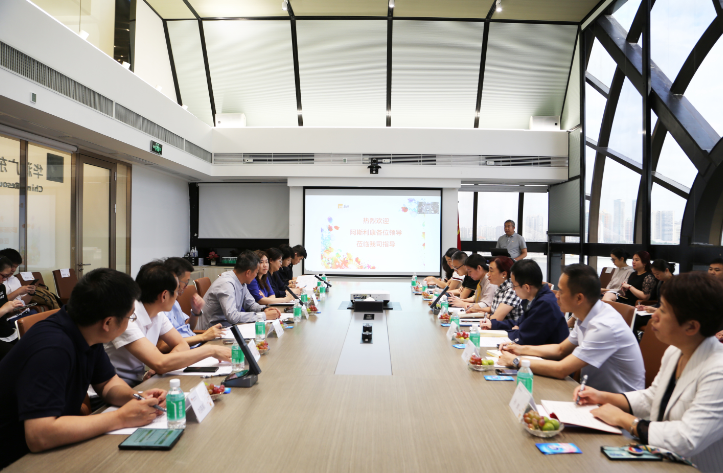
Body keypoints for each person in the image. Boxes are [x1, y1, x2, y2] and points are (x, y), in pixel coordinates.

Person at [0, 268, 167, 469]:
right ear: (108, 322)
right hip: (16, 459)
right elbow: (39, 435)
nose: (130, 321)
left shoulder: (85, 329)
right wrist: (121, 417)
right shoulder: (52, 348)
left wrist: (137, 398)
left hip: (54, 448)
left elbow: (108, 383)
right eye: (130, 317)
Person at [574, 272, 723, 473]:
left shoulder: (718, 371)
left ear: (691, 326)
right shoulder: (676, 351)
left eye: (664, 310)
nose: (654, 316)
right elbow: (652, 398)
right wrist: (603, 397)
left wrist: (625, 420)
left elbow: (687, 438)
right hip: (661, 459)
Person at [498, 264, 645, 393]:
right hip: (592, 394)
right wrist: (519, 349)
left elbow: (561, 369)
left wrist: (515, 361)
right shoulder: (586, 315)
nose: (557, 296)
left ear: (579, 298)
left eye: (561, 292)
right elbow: (560, 349)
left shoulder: (604, 326)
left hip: (617, 405)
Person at [104, 261, 232, 386]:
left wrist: (163, 365)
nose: (177, 296)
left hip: (140, 381)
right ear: (164, 295)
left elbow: (182, 345)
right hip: (114, 389)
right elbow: (160, 363)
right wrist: (210, 350)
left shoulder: (158, 313)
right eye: (176, 291)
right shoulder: (127, 317)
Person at [481, 259, 568, 346]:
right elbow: (519, 324)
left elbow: (527, 338)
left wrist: (516, 331)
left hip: (546, 353)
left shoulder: (545, 304)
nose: (513, 289)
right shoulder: (531, 299)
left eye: (514, 285)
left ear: (527, 287)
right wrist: (493, 324)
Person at [198, 251, 281, 330]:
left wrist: (264, 309)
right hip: (211, 330)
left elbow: (251, 304)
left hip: (226, 327)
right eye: (256, 272)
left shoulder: (241, 281)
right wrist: (264, 316)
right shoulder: (226, 284)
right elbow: (232, 316)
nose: (256, 275)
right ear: (248, 273)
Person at [156, 257, 224, 353]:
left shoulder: (174, 302)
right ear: (174, 280)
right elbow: (162, 346)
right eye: (186, 282)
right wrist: (203, 337)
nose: (186, 287)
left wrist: (195, 312)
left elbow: (187, 329)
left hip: (193, 346)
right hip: (187, 350)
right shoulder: (160, 308)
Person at [474, 256, 524, 323]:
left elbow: (496, 318)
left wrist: (482, 314)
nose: (488, 274)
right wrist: (476, 310)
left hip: (509, 328)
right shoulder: (500, 287)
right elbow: (492, 308)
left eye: (491, 271)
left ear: (504, 274)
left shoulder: (512, 290)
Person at [0, 257, 27, 360]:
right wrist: (5, 309)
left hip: (6, 330)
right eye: (3, 276)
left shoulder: (1, 287)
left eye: (7, 276)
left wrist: (13, 311)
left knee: (32, 346)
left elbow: (4, 315)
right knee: (17, 356)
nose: (4, 279)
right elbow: (3, 310)